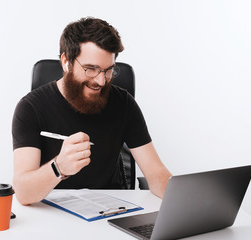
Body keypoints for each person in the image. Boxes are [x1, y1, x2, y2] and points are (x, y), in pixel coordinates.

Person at [12, 17, 172, 205]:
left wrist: (185, 200)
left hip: (112, 209)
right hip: (52, 211)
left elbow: (155, 173)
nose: (101, 81)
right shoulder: (30, 108)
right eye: (91, 69)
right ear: (66, 61)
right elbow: (22, 193)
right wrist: (59, 167)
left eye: (108, 70)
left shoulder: (124, 103)